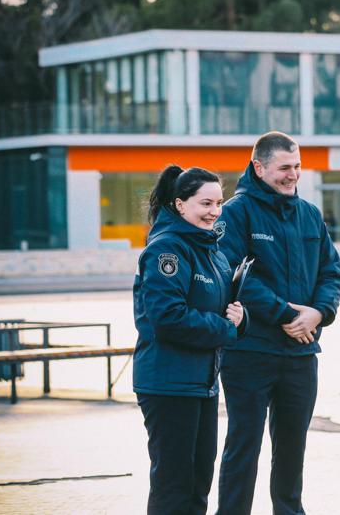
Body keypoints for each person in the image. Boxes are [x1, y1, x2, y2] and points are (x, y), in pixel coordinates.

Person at [216, 131, 340, 515]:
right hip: (249, 351)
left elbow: (332, 273)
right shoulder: (236, 213)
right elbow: (233, 275)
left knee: (292, 450)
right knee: (244, 445)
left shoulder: (308, 214)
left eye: (298, 167)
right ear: (259, 167)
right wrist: (288, 314)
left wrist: (319, 313)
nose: (293, 175)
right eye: (284, 168)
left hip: (301, 353)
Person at [133, 165, 247, 514]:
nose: (214, 211)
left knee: (198, 482)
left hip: (202, 384)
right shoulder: (167, 250)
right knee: (173, 487)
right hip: (168, 384)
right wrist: (227, 329)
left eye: (219, 203)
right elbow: (168, 317)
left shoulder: (211, 251)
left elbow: (224, 308)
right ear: (180, 204)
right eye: (205, 203)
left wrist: (240, 318)